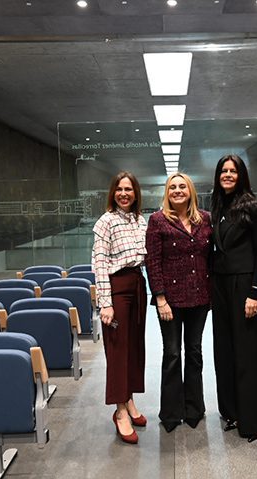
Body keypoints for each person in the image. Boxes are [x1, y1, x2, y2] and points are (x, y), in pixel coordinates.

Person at [145, 172, 213, 433]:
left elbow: (211, 257)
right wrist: (160, 297)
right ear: (167, 192)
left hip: (199, 298)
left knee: (194, 353)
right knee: (172, 354)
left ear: (190, 191)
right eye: (172, 187)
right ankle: (171, 412)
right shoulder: (157, 220)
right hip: (170, 301)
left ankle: (195, 409)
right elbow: (153, 262)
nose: (177, 190)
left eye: (182, 186)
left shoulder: (204, 219)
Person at [209, 154, 257, 442]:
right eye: (224, 170)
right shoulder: (217, 206)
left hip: (245, 285)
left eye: (233, 171)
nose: (228, 175)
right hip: (220, 286)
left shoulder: (253, 207)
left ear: (241, 175)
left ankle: (254, 421)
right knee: (225, 351)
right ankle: (232, 411)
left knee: (248, 354)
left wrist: (255, 292)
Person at [92, 171, 148, 444]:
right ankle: (120, 411)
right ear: (113, 193)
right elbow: (100, 264)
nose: (124, 193)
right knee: (117, 350)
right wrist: (106, 303)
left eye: (129, 189)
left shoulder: (140, 220)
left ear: (136, 193)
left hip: (138, 285)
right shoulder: (105, 222)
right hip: (116, 290)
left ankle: (129, 398)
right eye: (119, 189)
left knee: (134, 347)